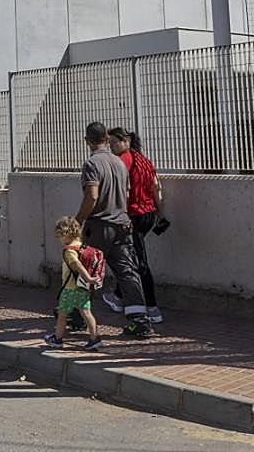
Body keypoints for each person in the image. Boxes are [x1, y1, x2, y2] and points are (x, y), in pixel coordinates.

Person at [74, 121, 155, 338]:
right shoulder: (119, 163)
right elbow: (127, 195)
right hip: (122, 224)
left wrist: (78, 220)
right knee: (128, 272)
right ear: (106, 140)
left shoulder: (92, 163)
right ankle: (139, 320)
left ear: (87, 141)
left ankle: (76, 316)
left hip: (99, 225)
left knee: (86, 269)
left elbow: (92, 196)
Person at [104, 128, 165, 323]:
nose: (111, 147)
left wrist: (118, 215)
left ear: (125, 141)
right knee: (129, 256)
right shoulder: (144, 160)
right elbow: (157, 188)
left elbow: (122, 191)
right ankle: (118, 296)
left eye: (114, 142)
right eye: (109, 143)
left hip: (134, 216)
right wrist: (160, 214)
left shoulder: (123, 161)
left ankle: (152, 307)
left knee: (138, 262)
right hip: (148, 215)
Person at [43, 216, 101, 350]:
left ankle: (57, 339)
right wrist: (89, 280)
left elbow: (78, 265)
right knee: (87, 313)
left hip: (70, 289)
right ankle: (95, 338)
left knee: (62, 314)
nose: (60, 240)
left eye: (60, 236)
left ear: (65, 233)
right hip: (83, 288)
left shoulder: (69, 251)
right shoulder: (83, 247)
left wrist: (88, 278)